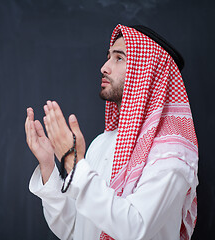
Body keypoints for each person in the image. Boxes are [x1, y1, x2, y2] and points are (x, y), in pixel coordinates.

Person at [24, 24, 198, 240]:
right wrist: (49, 165)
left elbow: (134, 229)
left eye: (119, 58)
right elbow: (72, 230)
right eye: (108, 57)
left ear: (146, 72)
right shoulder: (101, 143)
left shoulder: (171, 154)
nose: (104, 67)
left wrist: (72, 162)